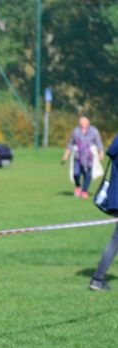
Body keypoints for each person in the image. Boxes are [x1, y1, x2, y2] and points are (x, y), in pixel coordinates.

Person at [89, 133, 118, 291]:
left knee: (116, 239)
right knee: (116, 240)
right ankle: (98, 278)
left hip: (116, 197)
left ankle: (98, 279)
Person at [62, 115, 104, 199]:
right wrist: (65, 156)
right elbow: (70, 144)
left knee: (87, 174)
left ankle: (84, 191)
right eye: (81, 121)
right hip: (78, 155)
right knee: (76, 173)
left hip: (89, 157)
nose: (83, 123)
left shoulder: (94, 131)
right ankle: (78, 186)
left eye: (84, 121)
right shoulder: (76, 131)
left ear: (88, 122)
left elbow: (99, 143)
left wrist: (101, 154)